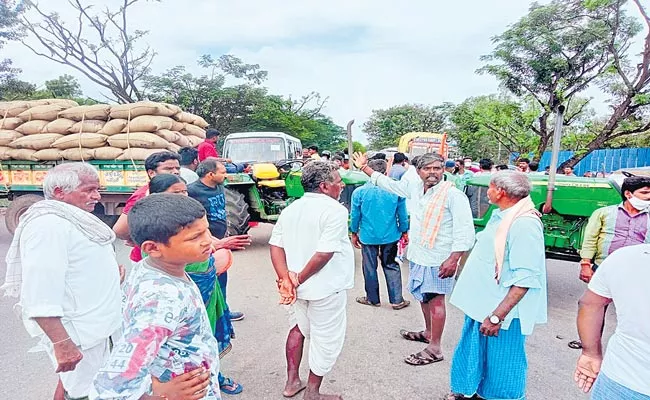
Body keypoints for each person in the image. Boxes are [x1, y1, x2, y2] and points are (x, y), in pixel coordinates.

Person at [2, 163, 122, 399]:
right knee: (84, 393)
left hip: (96, 328)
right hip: (78, 334)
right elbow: (39, 292)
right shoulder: (48, 226)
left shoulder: (73, 220)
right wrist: (62, 342)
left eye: (97, 190)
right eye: (88, 190)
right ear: (59, 192)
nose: (96, 197)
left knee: (95, 388)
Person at [90, 194, 221, 399]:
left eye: (206, 230)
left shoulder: (154, 268)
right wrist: (158, 397)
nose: (207, 241)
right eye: (195, 237)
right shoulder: (162, 299)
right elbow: (112, 385)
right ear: (153, 248)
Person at [352, 152, 475, 366]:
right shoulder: (416, 189)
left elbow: (465, 232)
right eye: (427, 169)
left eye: (437, 168)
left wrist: (454, 259)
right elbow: (388, 184)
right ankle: (428, 332)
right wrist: (365, 168)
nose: (433, 173)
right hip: (420, 254)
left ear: (443, 170)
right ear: (418, 171)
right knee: (423, 296)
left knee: (436, 300)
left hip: (439, 258)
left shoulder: (453, 195)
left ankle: (435, 348)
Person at [447, 171, 547, 400]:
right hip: (484, 304)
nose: (487, 192)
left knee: (504, 364)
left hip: (501, 314)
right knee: (476, 355)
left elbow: (526, 279)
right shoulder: (504, 214)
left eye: (490, 188)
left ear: (501, 192)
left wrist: (496, 317)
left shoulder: (524, 224)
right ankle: (473, 393)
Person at [148, 174, 243, 395]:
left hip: (204, 280)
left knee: (206, 332)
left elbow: (210, 242)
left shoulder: (191, 215)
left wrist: (220, 246)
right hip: (191, 282)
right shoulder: (156, 288)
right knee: (183, 342)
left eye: (184, 191)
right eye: (176, 192)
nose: (183, 196)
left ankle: (214, 376)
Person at [269, 161, 353, 400]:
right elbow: (324, 253)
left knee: (297, 328)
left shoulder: (291, 208)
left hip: (297, 290)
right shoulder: (335, 210)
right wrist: (295, 280)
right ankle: (313, 393)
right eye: (338, 181)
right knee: (326, 339)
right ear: (325, 186)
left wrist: (286, 280)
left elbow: (276, 245)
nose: (342, 185)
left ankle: (292, 382)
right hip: (325, 289)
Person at [568, 175, 650, 350]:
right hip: (604, 268)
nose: (648, 197)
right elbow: (590, 239)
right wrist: (585, 264)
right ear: (628, 194)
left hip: (637, 270)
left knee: (631, 310)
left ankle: (629, 347)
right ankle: (589, 342)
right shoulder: (604, 213)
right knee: (595, 306)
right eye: (644, 193)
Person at [574, 243, 650, 399]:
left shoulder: (624, 258)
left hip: (618, 379)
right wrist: (586, 262)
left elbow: (589, 304)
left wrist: (590, 353)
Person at [188, 159, 248, 322]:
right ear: (210, 174)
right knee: (205, 279)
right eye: (222, 172)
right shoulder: (192, 191)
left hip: (220, 241)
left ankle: (223, 311)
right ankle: (205, 315)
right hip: (203, 244)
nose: (225, 174)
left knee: (221, 277)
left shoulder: (220, 187)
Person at [350, 159, 410, 310]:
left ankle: (372, 298)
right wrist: (404, 230)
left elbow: (355, 215)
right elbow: (402, 215)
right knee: (391, 265)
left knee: (369, 267)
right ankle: (397, 300)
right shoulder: (395, 191)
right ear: (385, 172)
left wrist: (353, 232)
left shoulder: (359, 192)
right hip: (390, 235)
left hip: (368, 236)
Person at [113, 151, 182, 266]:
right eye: (168, 168)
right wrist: (138, 239)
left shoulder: (177, 191)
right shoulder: (143, 196)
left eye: (177, 168)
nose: (175, 171)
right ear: (151, 173)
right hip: (148, 261)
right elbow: (120, 230)